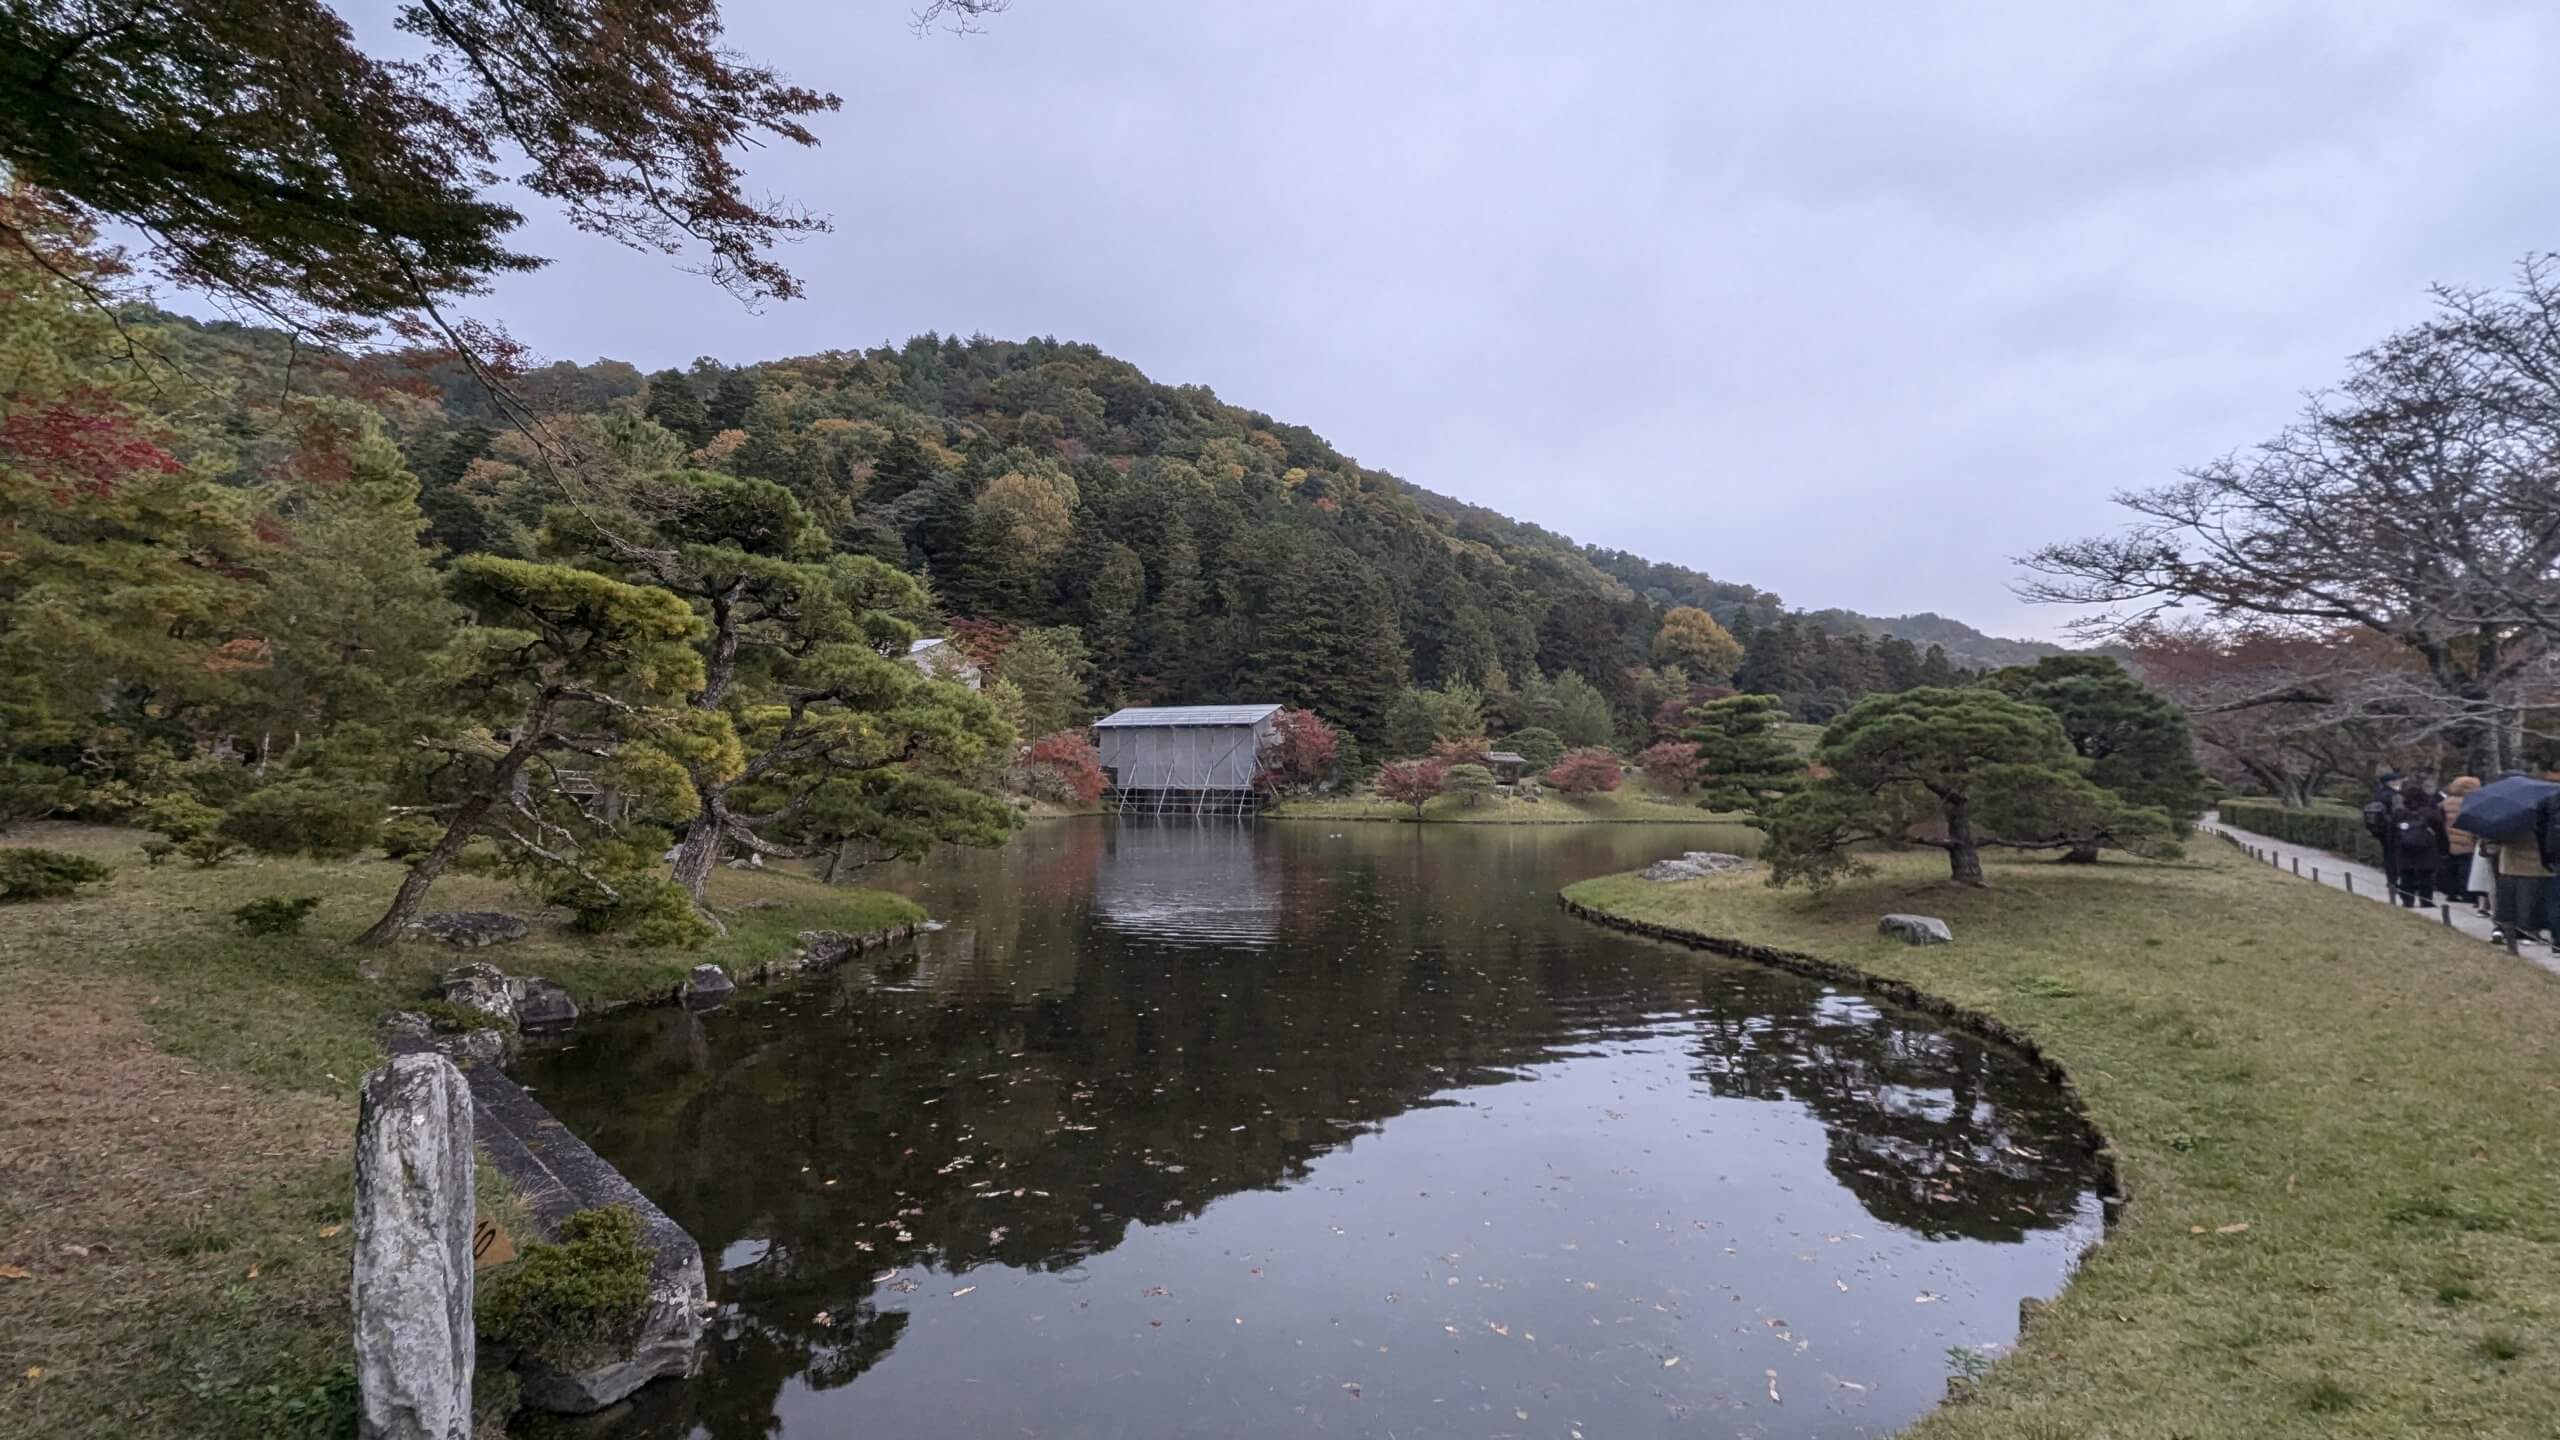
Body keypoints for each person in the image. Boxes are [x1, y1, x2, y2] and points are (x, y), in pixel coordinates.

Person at [2386, 780, 2447, 908]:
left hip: (2404, 848)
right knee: (2426, 875)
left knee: (2406, 875)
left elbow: (2392, 832)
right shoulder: (2431, 812)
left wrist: (2392, 847)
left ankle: (2407, 900)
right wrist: (2443, 849)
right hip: (2427, 849)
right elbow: (2440, 831)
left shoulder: (2400, 813)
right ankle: (2426, 900)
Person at [2441, 776, 2482, 904]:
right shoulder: (2472, 802)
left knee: (2452, 866)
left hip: (2449, 837)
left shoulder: (2446, 801)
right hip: (2466, 838)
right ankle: (2466, 894)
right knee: (2465, 867)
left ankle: (2451, 892)